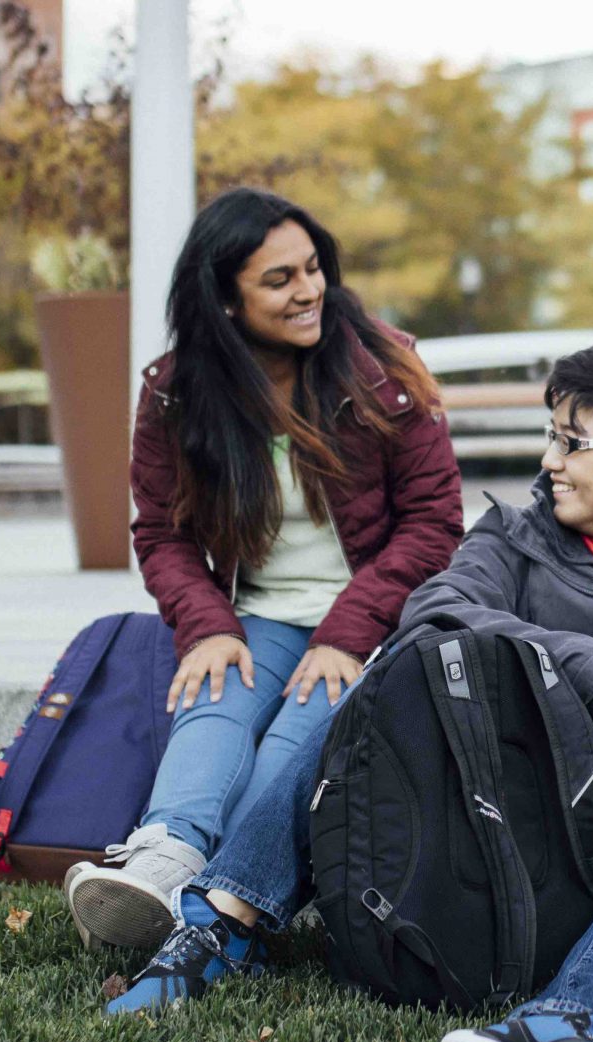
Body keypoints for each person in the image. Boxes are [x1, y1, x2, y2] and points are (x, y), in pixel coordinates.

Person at [106, 335, 593, 1042]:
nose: (550, 460)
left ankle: (566, 1025)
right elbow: (434, 613)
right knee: (371, 696)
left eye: (572, 442)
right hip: (521, 793)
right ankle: (219, 926)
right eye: (551, 435)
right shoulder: (518, 539)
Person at [64, 187, 463, 951]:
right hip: (264, 612)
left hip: (372, 617)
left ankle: (214, 902)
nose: (310, 290)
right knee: (214, 699)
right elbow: (163, 532)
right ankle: (161, 860)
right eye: (279, 279)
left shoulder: (383, 367)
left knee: (289, 747)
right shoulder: (178, 393)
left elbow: (433, 524)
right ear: (223, 299)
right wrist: (208, 625)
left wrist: (347, 635)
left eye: (313, 268)